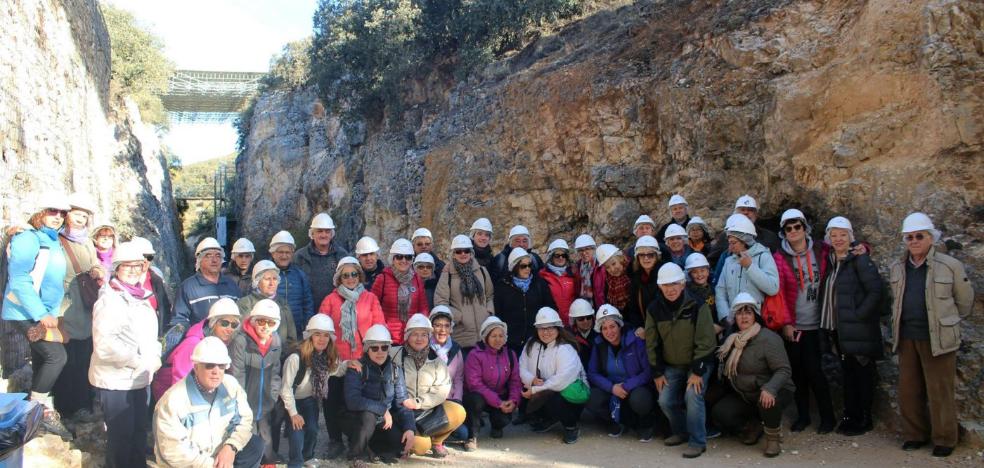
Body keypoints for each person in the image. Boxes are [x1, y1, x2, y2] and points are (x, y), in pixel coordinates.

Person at [890, 213, 973, 458]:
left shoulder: (949, 266)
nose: (914, 241)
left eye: (919, 236)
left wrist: (947, 322)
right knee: (909, 389)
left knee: (940, 390)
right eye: (909, 237)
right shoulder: (898, 267)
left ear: (930, 238)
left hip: (938, 337)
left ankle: (945, 439)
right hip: (906, 336)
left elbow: (965, 301)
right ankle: (914, 435)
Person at [89, 241, 162, 468]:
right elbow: (104, 345)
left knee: (138, 434)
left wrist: (154, 356)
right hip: (116, 382)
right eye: (126, 266)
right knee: (120, 439)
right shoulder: (109, 301)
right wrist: (137, 360)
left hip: (138, 379)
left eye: (138, 266)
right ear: (117, 268)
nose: (133, 270)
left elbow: (148, 337)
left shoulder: (140, 297)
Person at [2, 193, 70, 434]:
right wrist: (41, 313)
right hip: (24, 311)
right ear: (40, 212)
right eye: (53, 210)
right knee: (56, 356)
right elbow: (18, 279)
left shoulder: (52, 239)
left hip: (43, 311)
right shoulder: (28, 238)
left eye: (63, 213)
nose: (58, 217)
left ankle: (36, 416)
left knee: (43, 359)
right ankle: (37, 409)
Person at [817, 216, 884, 436]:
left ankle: (863, 418)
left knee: (862, 373)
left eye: (842, 235)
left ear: (850, 236)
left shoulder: (859, 260)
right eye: (833, 235)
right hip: (839, 328)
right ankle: (850, 416)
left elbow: (875, 291)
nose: (838, 239)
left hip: (858, 328)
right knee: (848, 374)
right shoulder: (831, 261)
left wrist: (859, 315)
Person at [153, 336, 265, 467]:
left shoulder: (231, 385)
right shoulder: (173, 400)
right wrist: (213, 465)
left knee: (255, 445)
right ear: (196, 367)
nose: (216, 372)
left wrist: (231, 447)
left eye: (222, 366)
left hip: (218, 455)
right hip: (187, 464)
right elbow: (174, 452)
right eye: (209, 365)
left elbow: (245, 420)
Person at [772, 209, 834, 433]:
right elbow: (777, 292)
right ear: (783, 233)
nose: (793, 231)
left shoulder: (821, 249)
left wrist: (863, 248)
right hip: (796, 326)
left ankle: (828, 417)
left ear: (804, 227)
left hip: (820, 323)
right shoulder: (780, 258)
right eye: (788, 229)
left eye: (797, 226)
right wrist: (786, 323)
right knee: (798, 373)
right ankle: (803, 416)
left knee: (817, 372)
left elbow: (847, 245)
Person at [711, 293, 794, 458]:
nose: (744, 317)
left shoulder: (768, 339)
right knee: (720, 412)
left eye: (748, 312)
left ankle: (773, 438)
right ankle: (752, 426)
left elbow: (783, 370)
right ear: (735, 318)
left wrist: (770, 388)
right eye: (740, 313)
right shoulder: (731, 341)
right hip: (746, 393)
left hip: (774, 389)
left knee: (768, 401)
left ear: (755, 315)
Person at [318, 257, 385, 459]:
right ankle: (335, 440)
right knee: (332, 401)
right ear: (338, 278)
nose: (350, 278)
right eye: (345, 275)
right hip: (336, 360)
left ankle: (356, 441)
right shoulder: (330, 300)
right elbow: (323, 330)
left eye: (354, 274)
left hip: (362, 359)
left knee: (355, 404)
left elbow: (379, 327)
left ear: (360, 275)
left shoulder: (370, 298)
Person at [647, 263, 716, 458]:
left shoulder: (698, 305)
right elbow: (651, 343)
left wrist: (697, 371)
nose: (671, 289)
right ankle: (681, 431)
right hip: (672, 365)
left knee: (693, 396)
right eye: (666, 285)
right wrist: (657, 372)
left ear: (683, 284)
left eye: (675, 283)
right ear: (660, 287)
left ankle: (697, 441)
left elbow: (706, 341)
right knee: (665, 400)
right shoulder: (654, 309)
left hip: (698, 363)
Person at [53, 192, 104, 421]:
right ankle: (65, 407)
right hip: (63, 307)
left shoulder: (86, 242)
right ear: (67, 214)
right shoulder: (56, 239)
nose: (81, 219)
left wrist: (97, 270)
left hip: (84, 307)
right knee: (65, 358)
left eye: (85, 216)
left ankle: (83, 405)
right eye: (77, 214)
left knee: (84, 358)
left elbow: (95, 263)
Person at [280, 315, 355, 468]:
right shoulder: (296, 358)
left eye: (326, 335)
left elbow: (335, 371)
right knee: (297, 433)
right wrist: (293, 413)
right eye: (317, 334)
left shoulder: (326, 356)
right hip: (292, 399)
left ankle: (308, 456)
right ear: (310, 336)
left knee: (313, 430)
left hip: (310, 398)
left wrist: (348, 364)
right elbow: (285, 388)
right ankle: (296, 462)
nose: (322, 339)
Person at [389, 314, 466, 458]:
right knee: (421, 448)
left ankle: (437, 441)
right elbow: (373, 355)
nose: (419, 339)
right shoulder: (394, 354)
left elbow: (441, 391)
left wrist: (418, 402)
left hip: (427, 411)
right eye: (415, 334)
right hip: (402, 413)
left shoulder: (436, 361)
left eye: (424, 335)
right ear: (407, 336)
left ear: (429, 337)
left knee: (458, 411)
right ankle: (418, 439)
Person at [342, 325, 415, 466]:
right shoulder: (357, 368)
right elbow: (353, 401)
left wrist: (409, 428)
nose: (380, 352)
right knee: (368, 417)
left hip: (383, 421)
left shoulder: (395, 370)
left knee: (400, 444)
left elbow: (402, 402)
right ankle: (355, 455)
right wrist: (382, 409)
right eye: (374, 348)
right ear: (367, 349)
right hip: (357, 419)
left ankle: (373, 448)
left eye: (384, 347)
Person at [587, 305, 655, 441]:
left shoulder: (635, 341)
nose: (609, 332)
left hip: (635, 386)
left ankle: (645, 425)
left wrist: (626, 386)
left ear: (620, 325)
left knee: (640, 399)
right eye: (604, 328)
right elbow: (592, 373)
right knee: (591, 398)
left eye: (612, 326)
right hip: (613, 388)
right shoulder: (599, 345)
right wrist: (611, 388)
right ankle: (616, 421)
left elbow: (648, 371)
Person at [519, 307, 587, 444]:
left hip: (570, 394)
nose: (546, 332)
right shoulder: (531, 344)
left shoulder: (565, 348)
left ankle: (571, 426)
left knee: (555, 399)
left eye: (550, 328)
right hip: (544, 389)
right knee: (540, 401)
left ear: (558, 328)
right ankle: (549, 418)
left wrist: (535, 389)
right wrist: (531, 380)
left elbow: (561, 381)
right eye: (542, 328)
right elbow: (522, 366)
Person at [151, 298, 241, 401]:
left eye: (234, 325)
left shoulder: (219, 341)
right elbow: (180, 380)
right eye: (224, 323)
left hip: (198, 393)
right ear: (213, 323)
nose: (229, 329)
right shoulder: (193, 344)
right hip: (169, 397)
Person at [229, 299, 283, 463]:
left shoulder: (275, 341)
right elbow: (237, 374)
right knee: (248, 438)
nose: (265, 326)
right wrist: (241, 402)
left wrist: (273, 396)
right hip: (246, 402)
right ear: (253, 320)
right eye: (261, 321)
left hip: (265, 402)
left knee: (266, 437)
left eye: (270, 322)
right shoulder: (241, 341)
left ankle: (268, 462)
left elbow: (275, 372)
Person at [462, 316, 522, 451]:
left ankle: (496, 426)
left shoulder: (510, 355)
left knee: (503, 419)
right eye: (493, 336)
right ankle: (472, 436)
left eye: (501, 335)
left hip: (499, 394)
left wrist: (513, 400)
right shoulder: (475, 355)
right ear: (486, 336)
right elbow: (474, 384)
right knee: (474, 401)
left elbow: (515, 381)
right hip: (479, 396)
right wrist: (498, 402)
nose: (498, 339)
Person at [714, 214, 779, 328]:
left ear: (745, 241)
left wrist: (750, 267)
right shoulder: (729, 261)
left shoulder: (763, 256)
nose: (730, 246)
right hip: (733, 322)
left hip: (758, 321)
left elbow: (773, 288)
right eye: (729, 242)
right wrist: (725, 316)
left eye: (733, 242)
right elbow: (720, 290)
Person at [434, 235, 495, 351]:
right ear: (453, 254)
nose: (463, 254)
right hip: (461, 336)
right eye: (458, 251)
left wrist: (488, 312)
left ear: (471, 252)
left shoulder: (482, 271)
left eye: (466, 250)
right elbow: (440, 302)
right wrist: (458, 316)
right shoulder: (447, 275)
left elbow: (490, 295)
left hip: (485, 334)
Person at [494, 247, 557, 354]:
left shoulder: (539, 284)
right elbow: (498, 314)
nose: (528, 269)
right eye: (523, 266)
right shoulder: (502, 287)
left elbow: (551, 308)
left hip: (536, 340)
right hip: (511, 343)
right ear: (514, 267)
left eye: (530, 265)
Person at [170, 237, 241, 327]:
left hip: (230, 339)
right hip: (201, 339)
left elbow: (240, 316)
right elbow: (179, 320)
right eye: (208, 256)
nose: (214, 260)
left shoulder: (231, 285)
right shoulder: (188, 287)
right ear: (199, 260)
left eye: (218, 256)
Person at [372, 238, 429, 345]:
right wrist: (382, 328)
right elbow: (374, 307)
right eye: (399, 257)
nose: (403, 260)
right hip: (387, 337)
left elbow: (423, 308)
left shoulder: (416, 279)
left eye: (408, 257)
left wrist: (420, 330)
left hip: (412, 337)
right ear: (392, 259)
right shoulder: (382, 278)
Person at [236, 260, 299, 356]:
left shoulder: (283, 303)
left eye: (274, 279)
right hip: (252, 359)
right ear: (257, 282)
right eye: (267, 279)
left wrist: (280, 356)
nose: (271, 283)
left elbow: (291, 338)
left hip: (280, 359)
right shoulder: (245, 304)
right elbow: (241, 336)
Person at [294, 213, 348, 311]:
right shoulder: (300, 256)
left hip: (336, 311)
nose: (323, 235)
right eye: (319, 231)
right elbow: (294, 287)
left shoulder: (342, 255)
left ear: (332, 234)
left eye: (327, 231)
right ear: (312, 234)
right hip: (308, 311)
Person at [708, 195, 780, 266]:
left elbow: (778, 263)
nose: (746, 212)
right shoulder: (725, 236)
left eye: (750, 210)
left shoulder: (769, 236)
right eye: (742, 210)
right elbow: (712, 261)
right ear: (736, 213)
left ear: (756, 214)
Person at [269, 230, 314, 338]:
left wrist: (307, 327)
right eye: (280, 252)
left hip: (296, 333)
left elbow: (307, 304)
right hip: (270, 332)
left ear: (292, 254)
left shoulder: (300, 275)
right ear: (273, 253)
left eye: (287, 252)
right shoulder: (265, 274)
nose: (284, 256)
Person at [130, 236, 171, 332]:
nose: (145, 260)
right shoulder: (120, 283)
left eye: (149, 257)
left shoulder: (156, 280)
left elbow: (165, 308)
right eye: (142, 255)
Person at [624, 236, 662, 332]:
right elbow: (633, 308)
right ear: (637, 257)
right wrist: (638, 326)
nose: (646, 258)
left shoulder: (665, 274)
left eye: (650, 255)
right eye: (642, 255)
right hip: (647, 328)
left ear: (657, 256)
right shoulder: (636, 279)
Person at [539, 239, 578, 324]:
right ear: (551, 257)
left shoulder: (572, 275)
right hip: (552, 323)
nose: (561, 258)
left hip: (572, 323)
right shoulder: (543, 276)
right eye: (557, 255)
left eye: (563, 255)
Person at [429, 306, 464, 403]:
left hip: (451, 398)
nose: (442, 330)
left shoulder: (455, 349)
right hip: (430, 400)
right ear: (431, 327)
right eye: (438, 325)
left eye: (446, 325)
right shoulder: (425, 349)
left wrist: (457, 399)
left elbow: (458, 378)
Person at [592, 244, 631, 312]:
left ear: (620, 258)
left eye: (614, 263)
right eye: (607, 267)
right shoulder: (609, 280)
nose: (612, 269)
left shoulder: (632, 273)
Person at [568, 299, 597, 369]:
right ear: (574, 320)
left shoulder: (599, 334)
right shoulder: (569, 337)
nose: (585, 321)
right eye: (581, 319)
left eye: (588, 317)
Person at [573, 234, 597, 301]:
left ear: (593, 249)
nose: (584, 253)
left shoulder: (600, 265)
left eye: (587, 249)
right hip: (583, 306)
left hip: (599, 305)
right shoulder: (577, 267)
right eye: (580, 250)